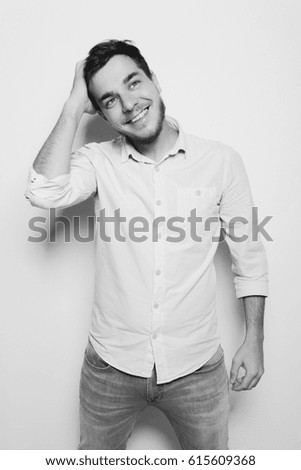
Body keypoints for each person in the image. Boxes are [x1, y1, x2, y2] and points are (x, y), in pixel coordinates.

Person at [25, 39, 268, 450]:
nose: (129, 103)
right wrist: (71, 104)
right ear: (100, 113)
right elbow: (43, 193)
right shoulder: (98, 161)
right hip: (110, 367)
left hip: (197, 368)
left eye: (134, 83)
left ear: (155, 81)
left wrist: (254, 340)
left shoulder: (221, 161)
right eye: (110, 99)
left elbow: (249, 257)